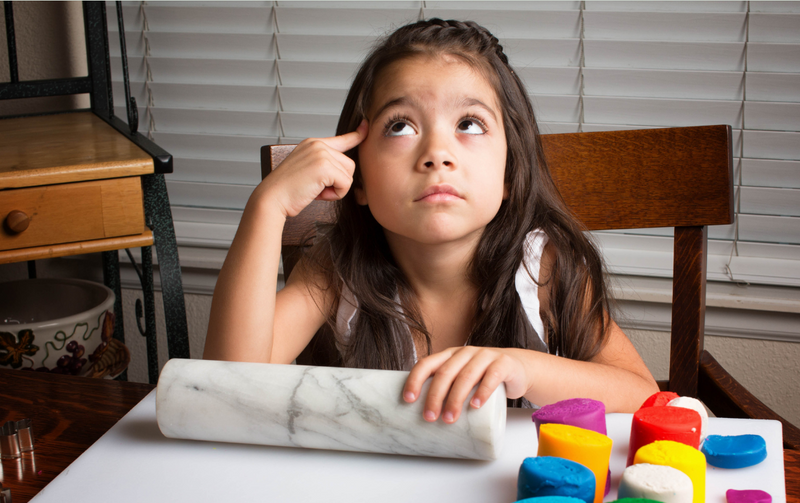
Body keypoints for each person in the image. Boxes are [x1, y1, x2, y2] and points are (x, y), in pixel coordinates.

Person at [204, 18, 658, 423]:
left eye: (470, 124)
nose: (437, 154)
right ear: (359, 178)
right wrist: (265, 208)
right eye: (400, 126)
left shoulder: (543, 266)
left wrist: (526, 368)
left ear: (509, 173)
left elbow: (643, 395)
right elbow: (229, 386)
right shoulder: (337, 269)